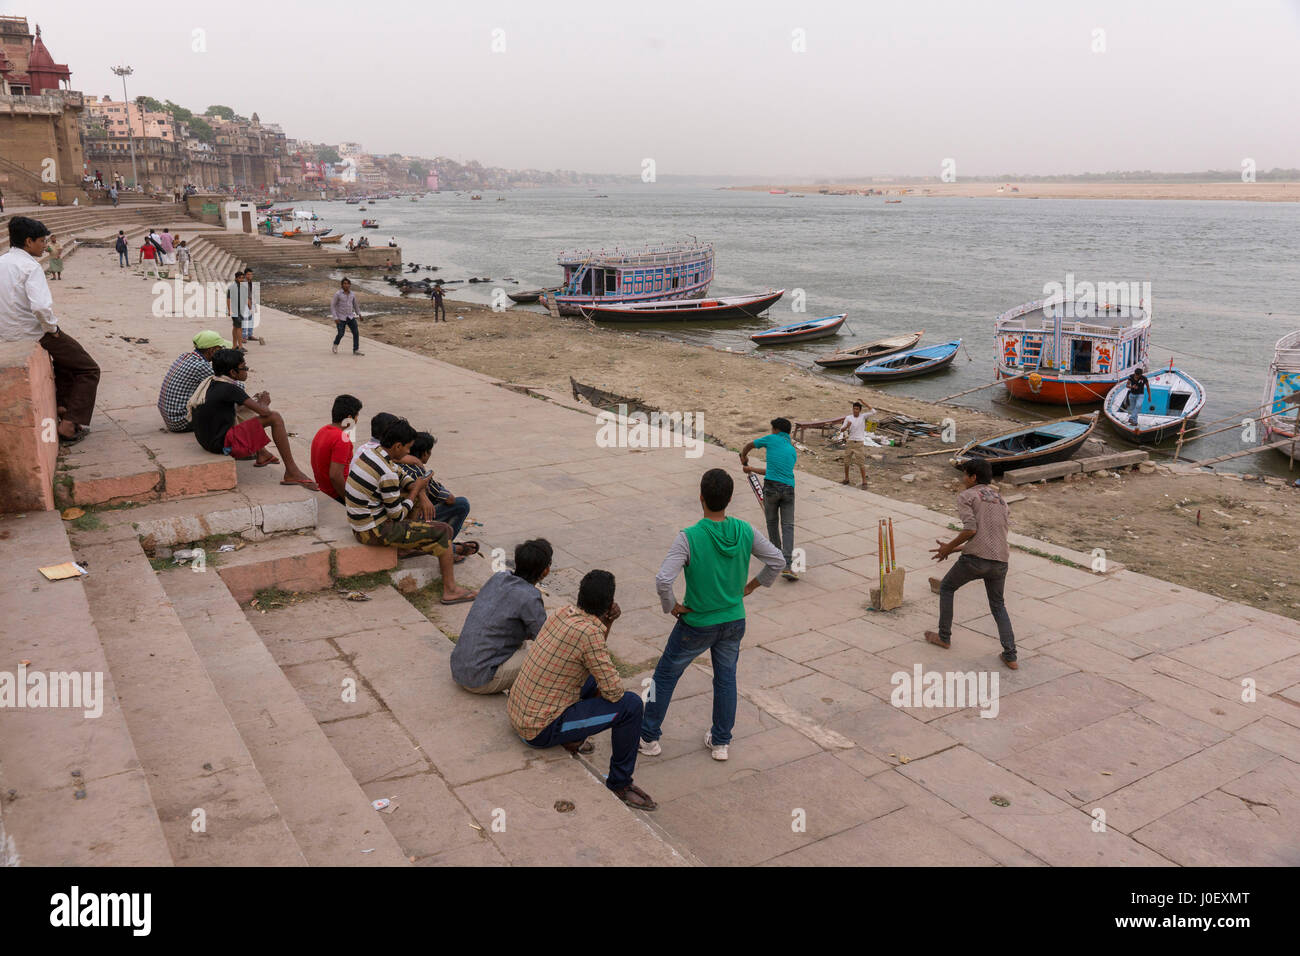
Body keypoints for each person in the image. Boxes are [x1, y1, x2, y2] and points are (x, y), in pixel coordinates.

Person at [639, 468, 785, 761]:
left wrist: (672, 606)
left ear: (701, 497)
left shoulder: (689, 537)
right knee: (726, 678)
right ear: (729, 499)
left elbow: (663, 580)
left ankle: (649, 737)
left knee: (665, 677)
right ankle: (720, 742)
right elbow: (777, 560)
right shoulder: (745, 530)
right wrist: (752, 587)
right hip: (733, 620)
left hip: (697, 622)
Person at [507, 570, 656, 810]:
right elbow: (614, 692)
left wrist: (606, 623)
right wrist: (606, 625)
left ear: (580, 595)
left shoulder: (561, 613)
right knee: (631, 706)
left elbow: (590, 657)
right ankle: (620, 783)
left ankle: (572, 739)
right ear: (609, 603)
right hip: (538, 730)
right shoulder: (590, 633)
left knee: (591, 678)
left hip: (519, 712)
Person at [344, 417, 476, 604]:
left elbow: (402, 475)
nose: (409, 453)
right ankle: (450, 589)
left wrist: (418, 486)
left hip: (361, 522)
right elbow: (397, 515)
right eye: (407, 448)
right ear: (398, 446)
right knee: (443, 531)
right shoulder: (386, 472)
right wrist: (416, 490)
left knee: (413, 498)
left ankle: (410, 546)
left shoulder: (373, 453)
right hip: (371, 530)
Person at [0, 217, 100, 444]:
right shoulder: (30, 267)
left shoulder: (2, 262)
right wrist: (52, 329)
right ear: (28, 241)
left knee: (66, 362)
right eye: (42, 241)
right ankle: (70, 425)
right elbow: (41, 307)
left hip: (6, 331)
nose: (44, 245)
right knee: (89, 369)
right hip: (32, 332)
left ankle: (63, 408)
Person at [926, 458, 1019, 670]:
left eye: (964, 474)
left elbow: (971, 530)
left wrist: (949, 547)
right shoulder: (1000, 499)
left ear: (973, 477)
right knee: (998, 605)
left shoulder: (967, 496)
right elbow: (991, 536)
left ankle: (944, 637)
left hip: (974, 560)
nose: (962, 478)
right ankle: (1011, 655)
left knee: (947, 588)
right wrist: (954, 548)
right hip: (1000, 561)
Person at [189, 349, 317, 488]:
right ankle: (292, 471)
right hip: (220, 445)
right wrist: (264, 401)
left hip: (206, 440)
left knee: (244, 411)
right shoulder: (230, 389)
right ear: (233, 373)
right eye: (244, 368)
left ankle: (263, 454)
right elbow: (264, 412)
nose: (247, 370)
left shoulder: (212, 382)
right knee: (275, 417)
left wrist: (255, 403)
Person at [450, 538, 552, 694]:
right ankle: (524, 698)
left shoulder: (499, 577)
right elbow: (544, 639)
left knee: (521, 642)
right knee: (544, 658)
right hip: (479, 680)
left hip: (459, 668)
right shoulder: (530, 596)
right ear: (546, 570)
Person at [740, 417, 799, 580]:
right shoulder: (792, 450)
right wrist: (751, 468)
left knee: (772, 523)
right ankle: (787, 565)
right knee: (788, 527)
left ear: (776, 430)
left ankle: (776, 558)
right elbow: (776, 471)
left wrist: (743, 456)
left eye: (772, 429)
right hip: (788, 489)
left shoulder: (772, 439)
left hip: (771, 489)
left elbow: (749, 445)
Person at [394, 430, 473, 545]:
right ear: (425, 453)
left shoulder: (396, 464)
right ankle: (447, 546)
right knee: (462, 504)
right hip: (408, 520)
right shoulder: (418, 472)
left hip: (398, 517)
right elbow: (450, 499)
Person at [157, 330, 231, 432]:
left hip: (169, 416)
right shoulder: (201, 366)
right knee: (223, 401)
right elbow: (226, 386)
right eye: (220, 348)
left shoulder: (185, 356)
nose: (222, 351)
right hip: (180, 422)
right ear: (212, 351)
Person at [310, 393, 363, 502]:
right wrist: (349, 501)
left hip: (324, 488)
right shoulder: (342, 439)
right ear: (349, 418)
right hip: (336, 494)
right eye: (357, 416)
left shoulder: (323, 430)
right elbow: (335, 476)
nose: (357, 420)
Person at [838, 400, 875, 487]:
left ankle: (864, 482)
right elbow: (841, 429)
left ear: (860, 410)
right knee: (846, 462)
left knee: (861, 463)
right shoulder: (848, 418)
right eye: (854, 409)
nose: (855, 411)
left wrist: (863, 402)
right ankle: (846, 479)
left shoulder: (863, 417)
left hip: (859, 443)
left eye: (857, 409)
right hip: (850, 442)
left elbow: (874, 411)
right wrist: (847, 426)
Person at [330, 278, 364, 355]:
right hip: (340, 318)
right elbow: (332, 306)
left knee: (356, 333)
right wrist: (335, 317)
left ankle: (356, 350)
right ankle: (335, 345)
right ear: (342, 285)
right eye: (344, 283)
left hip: (350, 317)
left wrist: (359, 314)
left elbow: (355, 304)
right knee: (341, 333)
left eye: (347, 283)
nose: (346, 285)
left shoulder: (352, 294)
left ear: (350, 285)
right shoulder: (338, 294)